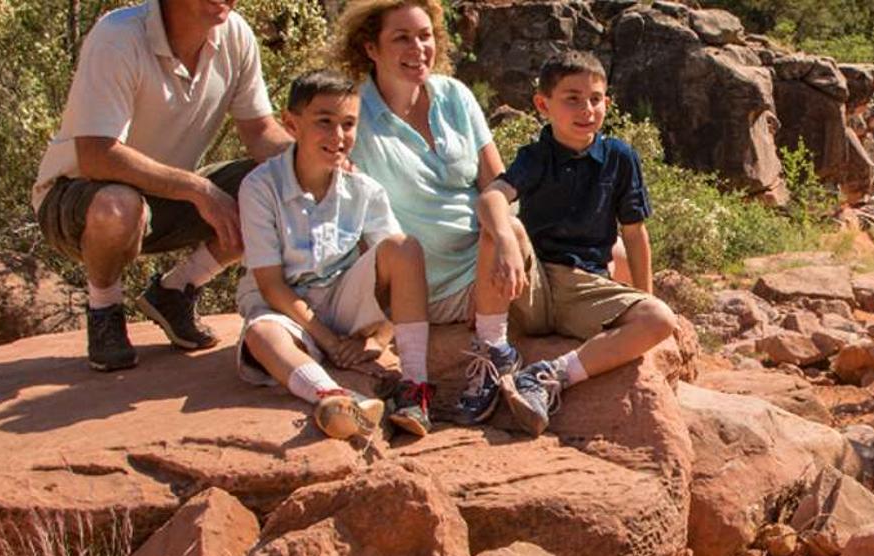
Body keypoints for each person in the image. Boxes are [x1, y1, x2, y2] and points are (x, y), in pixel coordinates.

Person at [33, 0, 292, 372]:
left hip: (163, 196)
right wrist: (199, 190)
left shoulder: (236, 35)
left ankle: (176, 291)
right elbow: (97, 156)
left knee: (275, 184)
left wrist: (314, 161)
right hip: (76, 200)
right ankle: (104, 309)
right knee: (118, 204)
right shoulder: (119, 36)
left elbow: (260, 131)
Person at [335, 0, 532, 427]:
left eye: (424, 36)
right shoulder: (354, 116)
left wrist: (499, 244)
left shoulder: (455, 96)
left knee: (509, 223)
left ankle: (494, 349)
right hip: (415, 285)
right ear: (371, 48)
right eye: (401, 38)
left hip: (483, 264)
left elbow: (497, 181)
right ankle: (429, 382)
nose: (418, 47)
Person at [485, 50, 679, 436]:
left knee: (659, 319)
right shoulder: (536, 156)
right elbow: (492, 195)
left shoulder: (619, 158)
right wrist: (505, 238)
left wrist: (643, 299)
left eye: (595, 99)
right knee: (500, 222)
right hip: (533, 284)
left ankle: (549, 375)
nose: (586, 109)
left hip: (584, 287)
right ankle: (490, 352)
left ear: (607, 103)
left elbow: (634, 232)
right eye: (571, 98)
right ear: (544, 105)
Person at [233, 70, 432, 441]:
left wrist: (377, 342)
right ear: (291, 124)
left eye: (348, 124)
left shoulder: (364, 190)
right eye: (324, 122)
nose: (338, 136)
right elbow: (271, 284)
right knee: (261, 335)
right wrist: (329, 341)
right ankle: (333, 398)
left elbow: (396, 268)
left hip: (341, 299)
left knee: (405, 248)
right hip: (283, 307)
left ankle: (414, 389)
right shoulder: (261, 187)